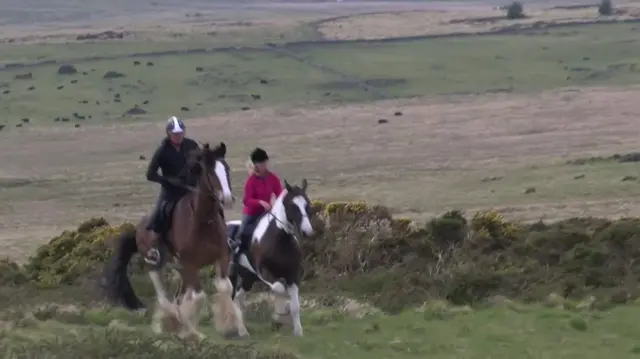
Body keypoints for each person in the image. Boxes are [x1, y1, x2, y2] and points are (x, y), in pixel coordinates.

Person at [144, 116, 200, 266]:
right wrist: (166, 180)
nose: (178, 136)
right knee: (161, 211)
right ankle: (153, 247)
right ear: (168, 133)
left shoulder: (192, 145)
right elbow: (150, 174)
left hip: (191, 188)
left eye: (181, 133)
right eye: (175, 134)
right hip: (171, 191)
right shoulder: (162, 150)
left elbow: (200, 164)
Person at [235, 147, 283, 256]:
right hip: (252, 214)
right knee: (243, 233)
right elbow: (247, 200)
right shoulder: (251, 180)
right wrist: (260, 203)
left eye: (266, 163)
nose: (265, 166)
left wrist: (275, 202)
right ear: (256, 165)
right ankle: (236, 257)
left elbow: (279, 194)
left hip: (269, 213)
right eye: (262, 164)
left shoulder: (273, 178)